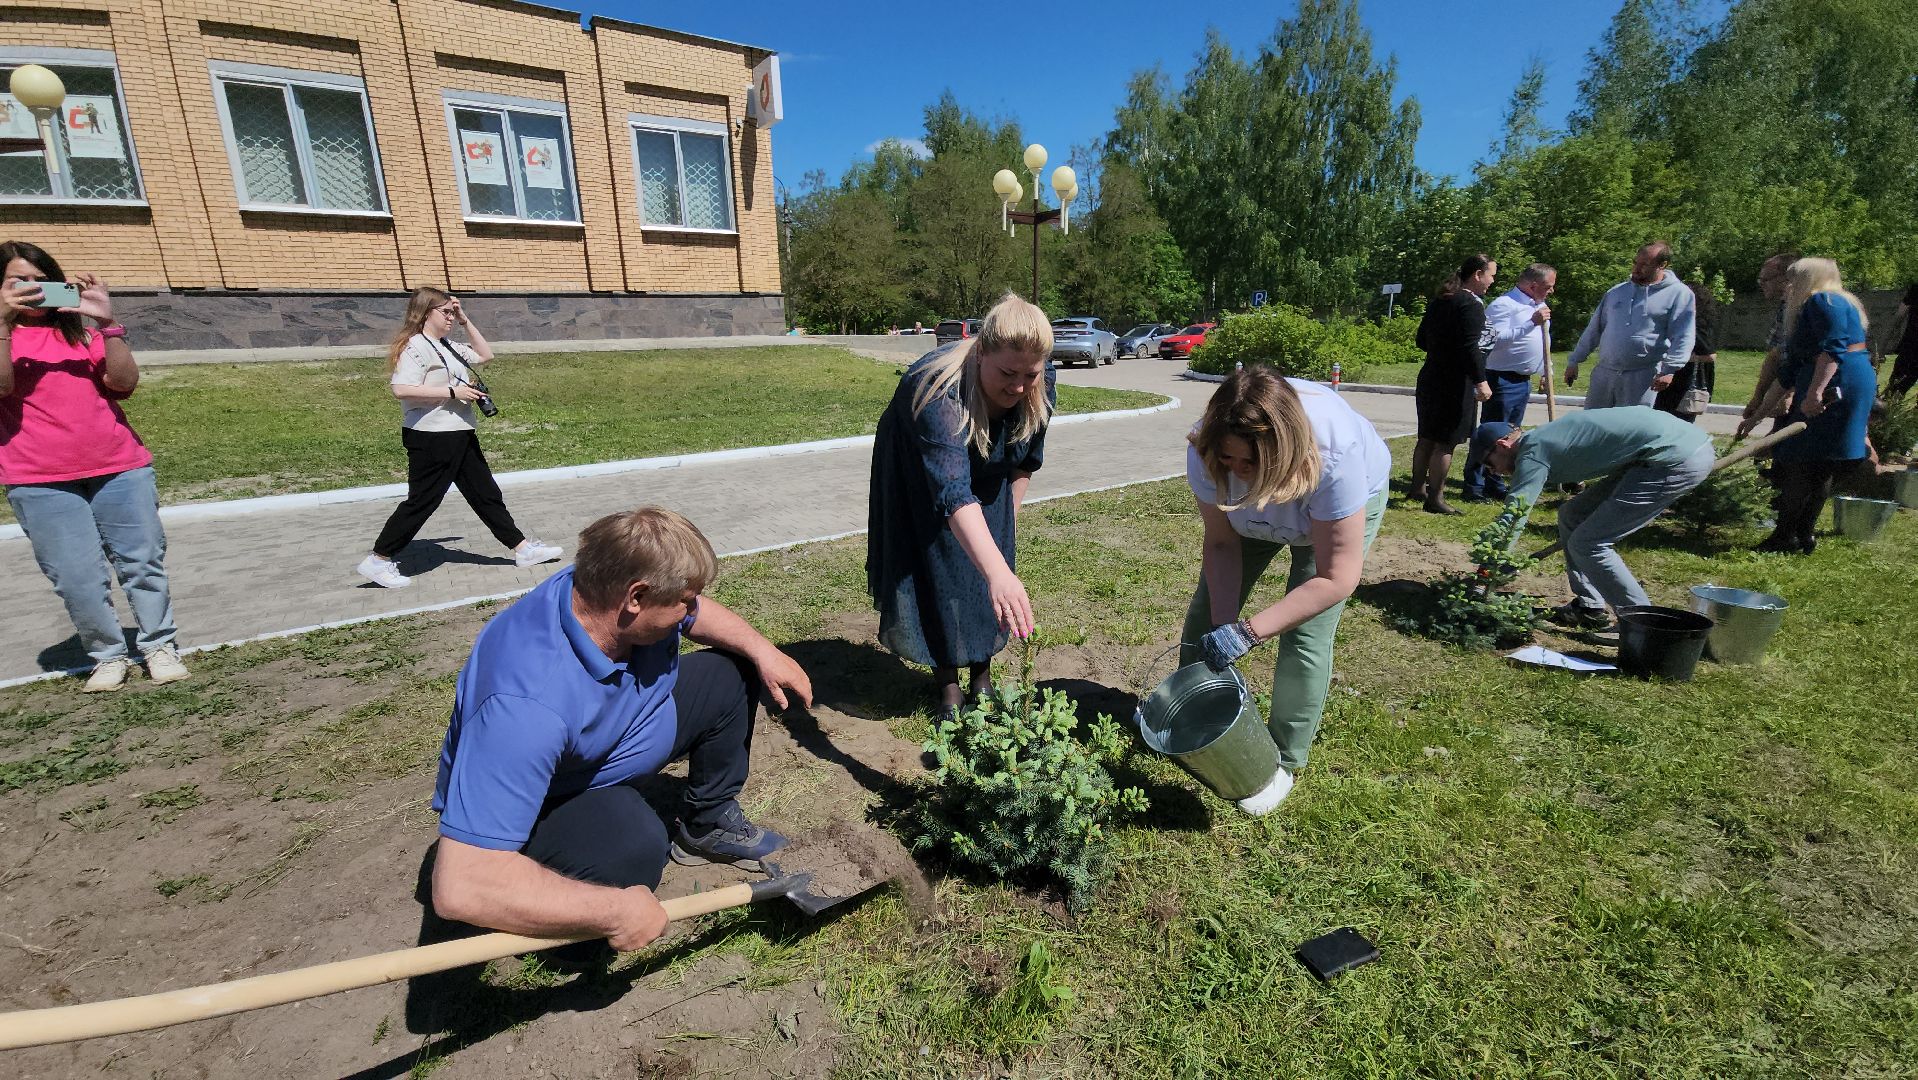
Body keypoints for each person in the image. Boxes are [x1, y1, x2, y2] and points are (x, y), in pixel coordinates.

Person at [425, 506, 813, 958]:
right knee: (632, 849)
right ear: (636, 597)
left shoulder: (600, 586)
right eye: (685, 601)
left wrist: (763, 650)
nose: (691, 611)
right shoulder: (524, 707)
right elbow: (462, 886)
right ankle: (565, 924)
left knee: (731, 672)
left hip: (619, 730)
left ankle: (706, 827)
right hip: (557, 793)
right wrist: (612, 911)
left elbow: (697, 616)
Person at [1183, 366, 1390, 812]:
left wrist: (1249, 632)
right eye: (1228, 460)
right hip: (1249, 520)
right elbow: (1221, 543)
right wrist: (1223, 626)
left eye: (1251, 463)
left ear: (1284, 453)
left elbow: (1336, 577)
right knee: (1206, 613)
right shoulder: (1205, 448)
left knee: (1305, 635)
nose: (1239, 473)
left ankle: (1283, 760)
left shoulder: (1337, 457)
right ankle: (1190, 711)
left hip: (1326, 513)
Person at [1, 240, 189, 692]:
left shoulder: (81, 335)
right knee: (76, 577)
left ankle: (159, 646)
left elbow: (123, 384)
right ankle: (108, 655)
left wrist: (108, 324)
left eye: (42, 281)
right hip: (38, 478)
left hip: (119, 466)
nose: (32, 289)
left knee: (142, 564)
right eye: (18, 281)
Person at [866, 293, 1054, 717]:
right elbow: (951, 491)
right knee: (938, 561)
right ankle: (948, 685)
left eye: (1030, 375)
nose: (1019, 387)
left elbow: (1025, 460)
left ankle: (981, 676)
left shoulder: (1038, 379)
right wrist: (996, 570)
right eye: (1007, 373)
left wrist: (1003, 529)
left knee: (987, 560)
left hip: (986, 463)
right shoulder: (936, 391)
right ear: (981, 351)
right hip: (922, 466)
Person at [357, 288, 561, 588]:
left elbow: (485, 355)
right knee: (423, 501)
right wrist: (453, 391)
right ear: (426, 313)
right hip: (431, 436)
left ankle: (522, 549)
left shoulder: (446, 345)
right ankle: (378, 560)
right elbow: (401, 389)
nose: (451, 317)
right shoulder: (416, 346)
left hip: (459, 432)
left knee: (485, 493)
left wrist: (466, 320)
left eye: (453, 312)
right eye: (446, 312)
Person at [1468, 407, 1715, 631]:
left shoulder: (1532, 452)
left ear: (1503, 444)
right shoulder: (1541, 439)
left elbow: (1515, 515)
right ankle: (1590, 606)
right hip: (1661, 451)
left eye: (1489, 463)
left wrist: (1487, 570)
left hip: (1674, 458)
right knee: (1572, 515)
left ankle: (1640, 624)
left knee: (1589, 544)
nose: (1494, 471)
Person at [1743, 258, 1874, 554]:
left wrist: (1815, 392)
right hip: (1837, 377)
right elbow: (1790, 370)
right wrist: (1757, 415)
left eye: (1793, 279)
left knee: (1802, 459)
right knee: (1819, 461)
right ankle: (1802, 534)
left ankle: (1787, 535)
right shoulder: (1839, 302)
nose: (1788, 286)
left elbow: (1832, 349)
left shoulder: (1822, 301)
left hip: (1835, 382)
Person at [1409, 254, 1496, 515]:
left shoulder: (1440, 300)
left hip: (1431, 376)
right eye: (1491, 275)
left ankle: (1417, 488)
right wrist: (1481, 381)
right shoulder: (1470, 304)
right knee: (1445, 442)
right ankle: (1435, 498)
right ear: (1477, 275)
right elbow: (1471, 348)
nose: (1492, 281)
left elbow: (1421, 340)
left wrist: (1441, 349)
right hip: (1456, 382)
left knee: (1426, 437)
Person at [1462, 263, 1555, 501]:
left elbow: (1544, 340)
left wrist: (1546, 371)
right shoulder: (1504, 305)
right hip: (1500, 377)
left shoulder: (1539, 306)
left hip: (1523, 380)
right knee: (1490, 435)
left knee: (1510, 438)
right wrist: (1530, 323)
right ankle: (1474, 486)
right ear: (1533, 285)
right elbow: (1493, 340)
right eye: (1548, 286)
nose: (1551, 291)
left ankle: (1495, 480)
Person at [1564, 243, 1697, 409]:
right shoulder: (1616, 292)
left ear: (1662, 265)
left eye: (1644, 265)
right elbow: (1594, 329)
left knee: (1631, 423)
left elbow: (1683, 335)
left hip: (1643, 375)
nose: (1636, 268)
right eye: (1635, 262)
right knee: (1593, 422)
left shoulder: (1678, 294)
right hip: (1605, 372)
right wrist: (1574, 360)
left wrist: (1669, 370)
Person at [1738, 252, 1800, 429]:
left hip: (1812, 392)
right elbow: (1776, 355)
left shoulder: (1804, 308)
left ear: (1786, 279)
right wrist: (1758, 398)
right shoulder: (1785, 307)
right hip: (1787, 384)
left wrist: (1790, 393)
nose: (1761, 284)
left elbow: (1807, 357)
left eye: (1765, 279)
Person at [1654, 279, 1719, 424]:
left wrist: (1674, 358)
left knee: (1672, 423)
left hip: (1682, 384)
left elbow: (1710, 356)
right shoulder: (1697, 322)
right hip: (1678, 382)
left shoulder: (1693, 325)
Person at [1888, 283, 1917, 400]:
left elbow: (1899, 315)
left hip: (1911, 345)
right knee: (1899, 385)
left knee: (1897, 386)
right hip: (1911, 345)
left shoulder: (1915, 289)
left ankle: (1891, 404)